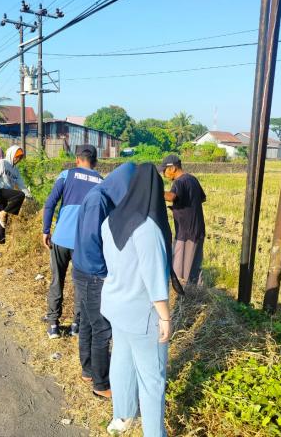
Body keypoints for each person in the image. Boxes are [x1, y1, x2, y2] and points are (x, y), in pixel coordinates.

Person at [100, 163, 172, 436]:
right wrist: (165, 316)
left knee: (121, 360)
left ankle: (121, 417)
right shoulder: (147, 228)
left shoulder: (111, 221)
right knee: (152, 379)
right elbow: (154, 277)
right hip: (142, 315)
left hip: (116, 306)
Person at [72, 162, 137, 399]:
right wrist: (104, 274)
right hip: (92, 273)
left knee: (89, 323)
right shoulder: (99, 199)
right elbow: (91, 240)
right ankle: (101, 384)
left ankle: (88, 370)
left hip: (85, 270)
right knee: (102, 327)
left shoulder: (103, 194)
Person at [43, 145, 102, 339]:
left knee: (56, 280)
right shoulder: (101, 182)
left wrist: (45, 230)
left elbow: (50, 203)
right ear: (95, 161)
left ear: (77, 159)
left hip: (60, 238)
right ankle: (77, 324)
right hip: (84, 244)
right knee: (81, 285)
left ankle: (53, 324)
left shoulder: (66, 175)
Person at [159, 154, 206, 285]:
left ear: (173, 168)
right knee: (194, 266)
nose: (164, 174)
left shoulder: (179, 181)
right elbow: (202, 198)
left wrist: (154, 189)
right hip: (198, 229)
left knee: (180, 269)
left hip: (186, 233)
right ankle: (196, 292)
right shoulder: (192, 179)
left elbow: (171, 196)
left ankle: (184, 296)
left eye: (164, 170)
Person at [0, 145, 31, 244]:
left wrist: (29, 196)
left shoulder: (16, 170)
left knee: (2, 220)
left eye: (20, 157)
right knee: (19, 195)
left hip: (7, 194)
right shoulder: (2, 163)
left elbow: (21, 184)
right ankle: (3, 212)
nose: (18, 159)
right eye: (17, 156)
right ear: (11, 154)